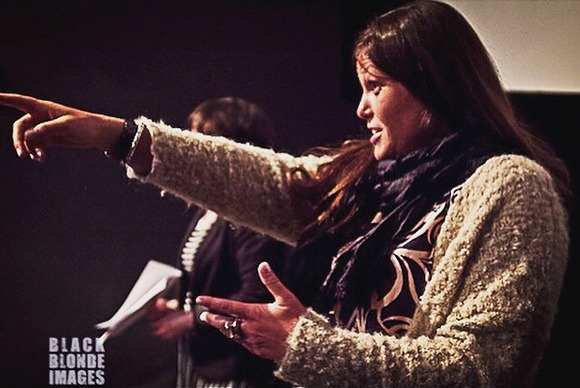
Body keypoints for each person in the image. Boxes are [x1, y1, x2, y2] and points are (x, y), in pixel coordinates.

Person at [0, 0, 571, 386]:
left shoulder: (511, 188)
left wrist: (307, 345)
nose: (361, 107)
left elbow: (481, 368)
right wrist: (118, 136)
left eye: (375, 87)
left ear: (434, 86)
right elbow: (264, 178)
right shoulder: (374, 181)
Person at [147, 97, 292, 388]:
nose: (192, 152)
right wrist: (181, 305)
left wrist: (190, 319)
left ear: (235, 150)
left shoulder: (253, 213)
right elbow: (215, 283)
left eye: (204, 141)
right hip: (202, 361)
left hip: (235, 369)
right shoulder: (208, 208)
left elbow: (255, 296)